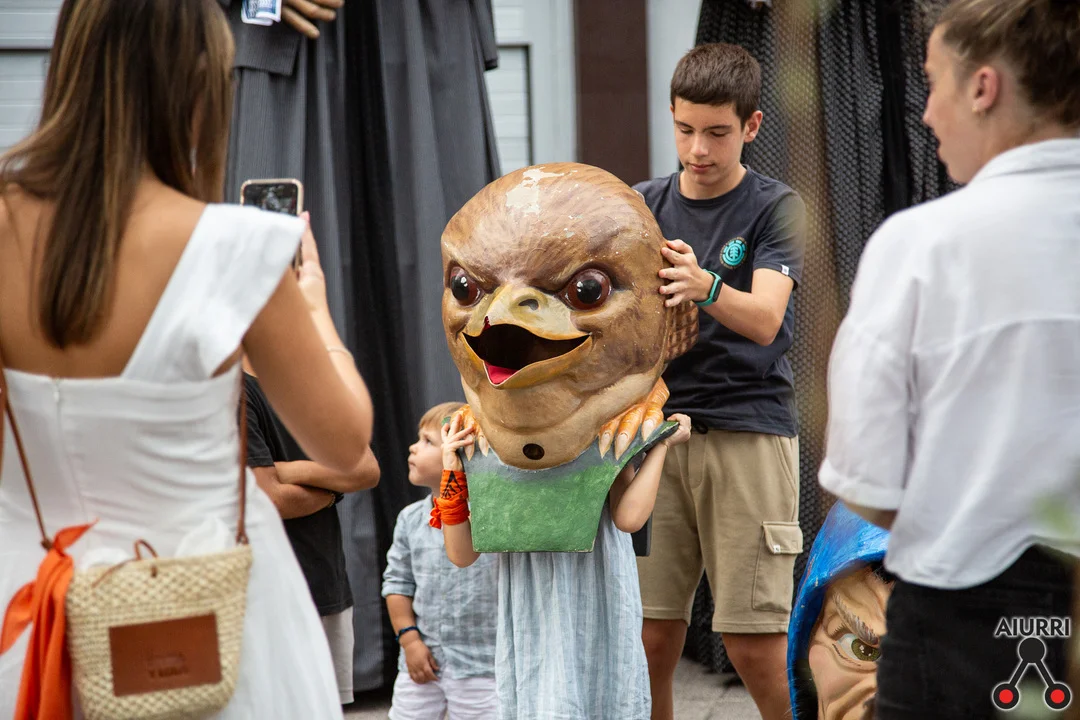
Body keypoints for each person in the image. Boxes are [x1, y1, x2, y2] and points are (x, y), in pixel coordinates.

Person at [0, 1, 373, 718]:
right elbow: (345, 443)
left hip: (34, 620)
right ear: (197, 81)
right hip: (210, 618)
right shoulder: (234, 247)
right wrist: (315, 309)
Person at [819, 1, 1080, 717]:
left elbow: (866, 479)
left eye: (933, 82)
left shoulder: (919, 247)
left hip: (961, 625)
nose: (928, 113)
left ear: (984, 87)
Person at [632, 42, 807, 720]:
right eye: (684, 129)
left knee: (752, 642)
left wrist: (704, 286)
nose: (697, 149)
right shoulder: (641, 204)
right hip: (656, 436)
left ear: (752, 126)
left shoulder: (776, 206)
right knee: (649, 636)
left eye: (717, 132)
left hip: (747, 429)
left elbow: (765, 320)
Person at [439, 408, 692, 720]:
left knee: (602, 696)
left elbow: (629, 518)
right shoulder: (490, 441)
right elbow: (462, 554)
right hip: (533, 610)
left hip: (598, 598)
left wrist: (660, 444)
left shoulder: (603, 427)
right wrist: (452, 470)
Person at [241, 224, 381, 705]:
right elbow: (271, 501)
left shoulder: (305, 378)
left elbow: (367, 470)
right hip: (269, 598)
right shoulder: (234, 390)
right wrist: (335, 480)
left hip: (326, 586)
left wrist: (291, 470)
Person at [382, 402, 499, 719]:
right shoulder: (410, 519)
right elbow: (397, 585)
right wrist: (410, 642)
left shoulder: (490, 518)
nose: (413, 447)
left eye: (427, 441)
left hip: (482, 666)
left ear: (462, 453)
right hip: (422, 661)